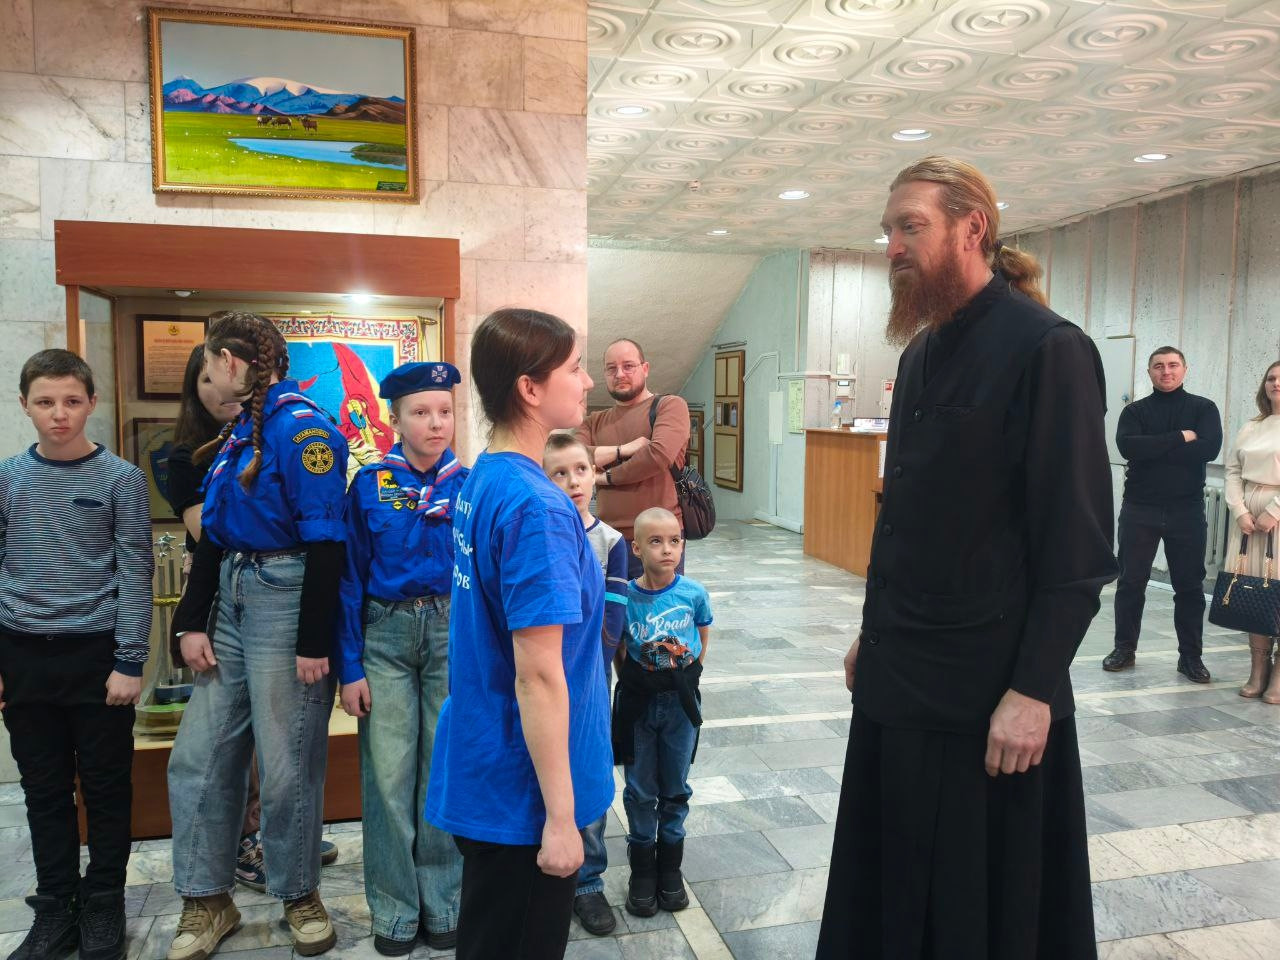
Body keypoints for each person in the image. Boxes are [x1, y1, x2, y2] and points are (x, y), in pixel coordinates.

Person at [818, 157, 1117, 960]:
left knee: (974, 912)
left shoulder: (1048, 349)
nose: (892, 247)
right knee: (891, 897)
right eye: (888, 230)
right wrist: (874, 633)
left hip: (986, 697)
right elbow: (910, 520)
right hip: (900, 677)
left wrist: (1034, 690)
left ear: (971, 228)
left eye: (909, 226)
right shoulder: (920, 354)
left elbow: (1078, 549)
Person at [424, 308, 613, 960]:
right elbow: (537, 673)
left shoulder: (487, 477)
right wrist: (560, 819)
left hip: (490, 762)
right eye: (575, 368)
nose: (588, 382)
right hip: (521, 791)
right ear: (530, 388)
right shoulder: (537, 507)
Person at [166, 312, 349, 960]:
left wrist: (313, 642)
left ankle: (299, 892)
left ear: (230, 362)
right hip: (232, 600)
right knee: (199, 757)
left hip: (285, 600)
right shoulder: (239, 432)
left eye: (208, 362)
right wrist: (190, 620)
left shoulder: (303, 432)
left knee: (286, 764)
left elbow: (326, 544)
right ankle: (206, 899)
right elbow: (214, 536)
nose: (206, 375)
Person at [0, 349, 152, 960]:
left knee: (107, 788)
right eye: (45, 402)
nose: (58, 414)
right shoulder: (8, 477)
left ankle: (104, 903)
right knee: (43, 791)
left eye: (70, 401)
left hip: (96, 656)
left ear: (91, 402)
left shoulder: (120, 478)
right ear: (25, 406)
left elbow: (135, 571)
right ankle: (56, 907)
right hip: (24, 655)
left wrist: (130, 660)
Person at [335, 361, 468, 954]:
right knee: (388, 776)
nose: (436, 423)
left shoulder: (468, 487)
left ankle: (443, 902)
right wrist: (349, 667)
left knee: (442, 770)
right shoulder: (368, 486)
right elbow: (348, 578)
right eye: (421, 412)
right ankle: (393, 909)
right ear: (394, 420)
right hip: (384, 638)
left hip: (450, 636)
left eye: (445, 411)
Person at [541, 433, 628, 937]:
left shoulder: (611, 543)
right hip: (546, 674)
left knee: (590, 768)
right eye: (559, 473)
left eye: (581, 469)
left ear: (595, 474)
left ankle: (589, 879)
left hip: (591, 675)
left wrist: (594, 670)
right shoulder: (540, 533)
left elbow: (612, 617)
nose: (573, 482)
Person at [611, 507, 711, 920]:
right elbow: (619, 648)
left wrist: (691, 676)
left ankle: (670, 866)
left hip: (679, 707)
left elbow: (702, 632)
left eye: (674, 541)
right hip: (639, 705)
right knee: (640, 788)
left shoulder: (694, 593)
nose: (667, 549)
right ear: (636, 548)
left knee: (675, 785)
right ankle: (642, 868)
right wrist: (634, 683)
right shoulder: (626, 598)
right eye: (655, 541)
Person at [1103, 347, 1222, 682]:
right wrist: (1180, 438)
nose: (1166, 371)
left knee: (1189, 586)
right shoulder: (1135, 411)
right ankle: (1124, 649)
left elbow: (1208, 449)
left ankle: (1190, 657)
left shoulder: (1203, 408)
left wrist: (1154, 447)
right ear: (1149, 372)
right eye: (1158, 366)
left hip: (1187, 509)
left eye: (1172, 365)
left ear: (1184, 369)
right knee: (1130, 582)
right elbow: (1128, 447)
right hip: (1140, 508)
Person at [575, 340, 690, 577]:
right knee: (608, 603)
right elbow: (575, 457)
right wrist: (625, 449)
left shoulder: (670, 406)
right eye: (611, 368)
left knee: (658, 602)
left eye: (628, 366)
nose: (619, 374)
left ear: (645, 369)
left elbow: (657, 455)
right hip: (606, 539)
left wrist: (604, 477)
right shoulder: (594, 421)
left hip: (658, 540)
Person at [1226, 360, 1280, 704]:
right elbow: (1233, 470)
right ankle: (1258, 668)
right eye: (1271, 378)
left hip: (1277, 514)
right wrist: (1240, 510)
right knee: (1254, 592)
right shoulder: (1252, 426)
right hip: (1248, 518)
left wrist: (1274, 511)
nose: (1276, 383)